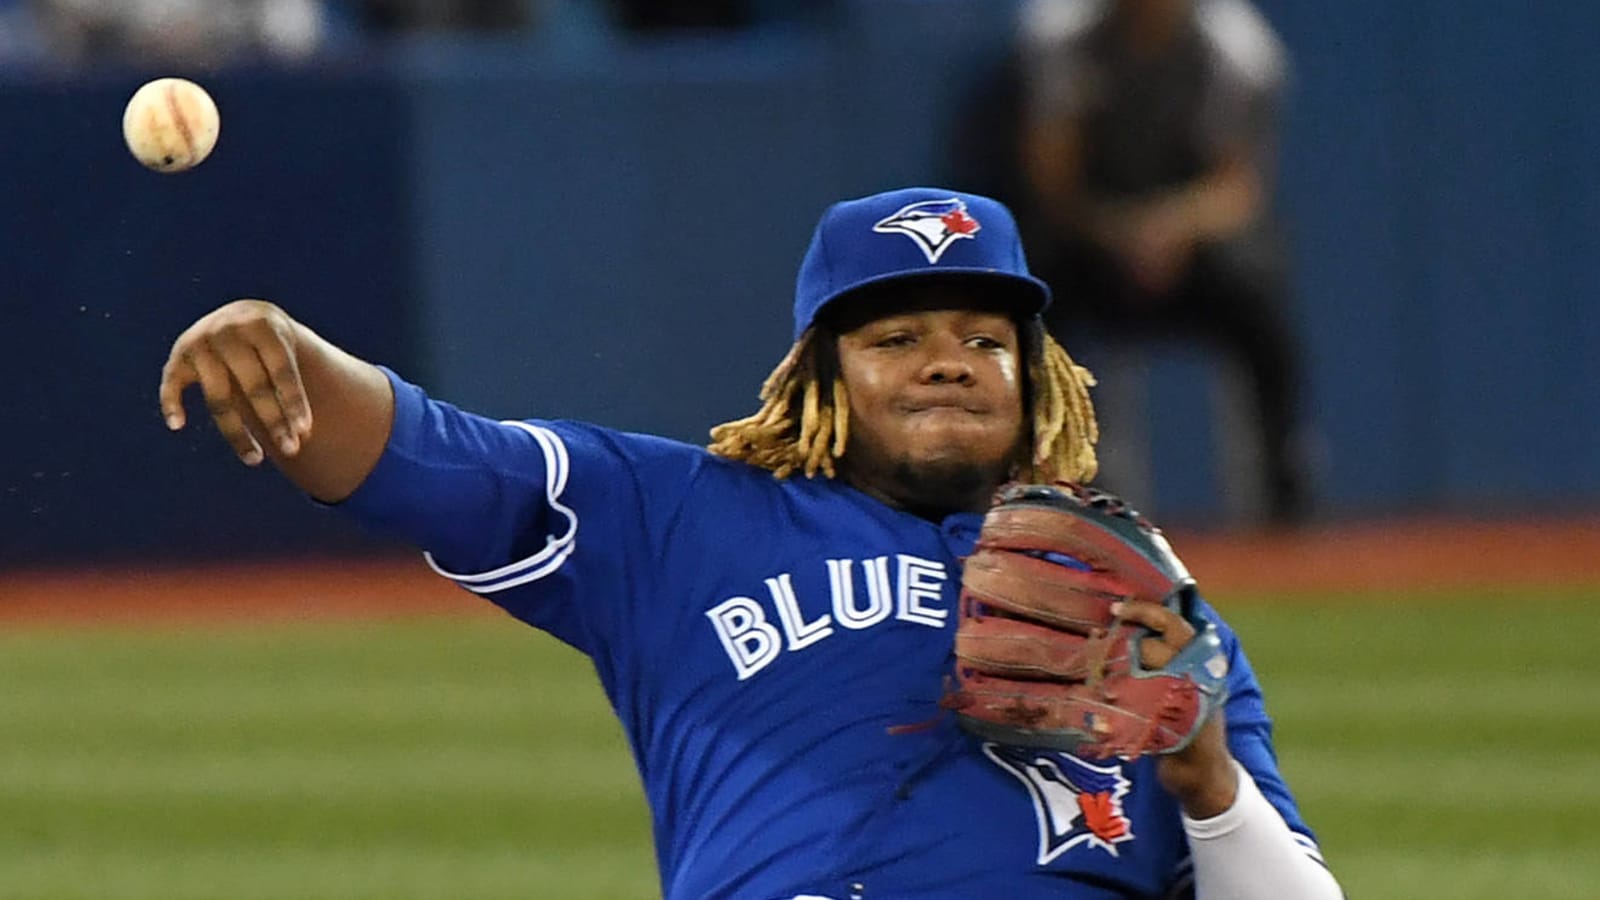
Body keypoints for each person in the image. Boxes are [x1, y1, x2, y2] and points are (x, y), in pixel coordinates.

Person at [158, 186, 1342, 899]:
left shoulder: (1145, 612)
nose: (946, 359)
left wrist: (1203, 778)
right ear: (818, 377)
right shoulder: (674, 515)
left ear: (1033, 379)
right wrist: (279, 347)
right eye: (896, 337)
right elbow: (424, 459)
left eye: (984, 338)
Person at [1005, 0, 1314, 525]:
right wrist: (1122, 233)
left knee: (1260, 308)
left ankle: (1283, 502)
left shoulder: (1238, 46)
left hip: (1195, 242)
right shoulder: (1062, 36)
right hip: (1093, 237)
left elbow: (1237, 189)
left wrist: (1167, 230)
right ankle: (1056, 492)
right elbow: (1053, 180)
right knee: (1032, 301)